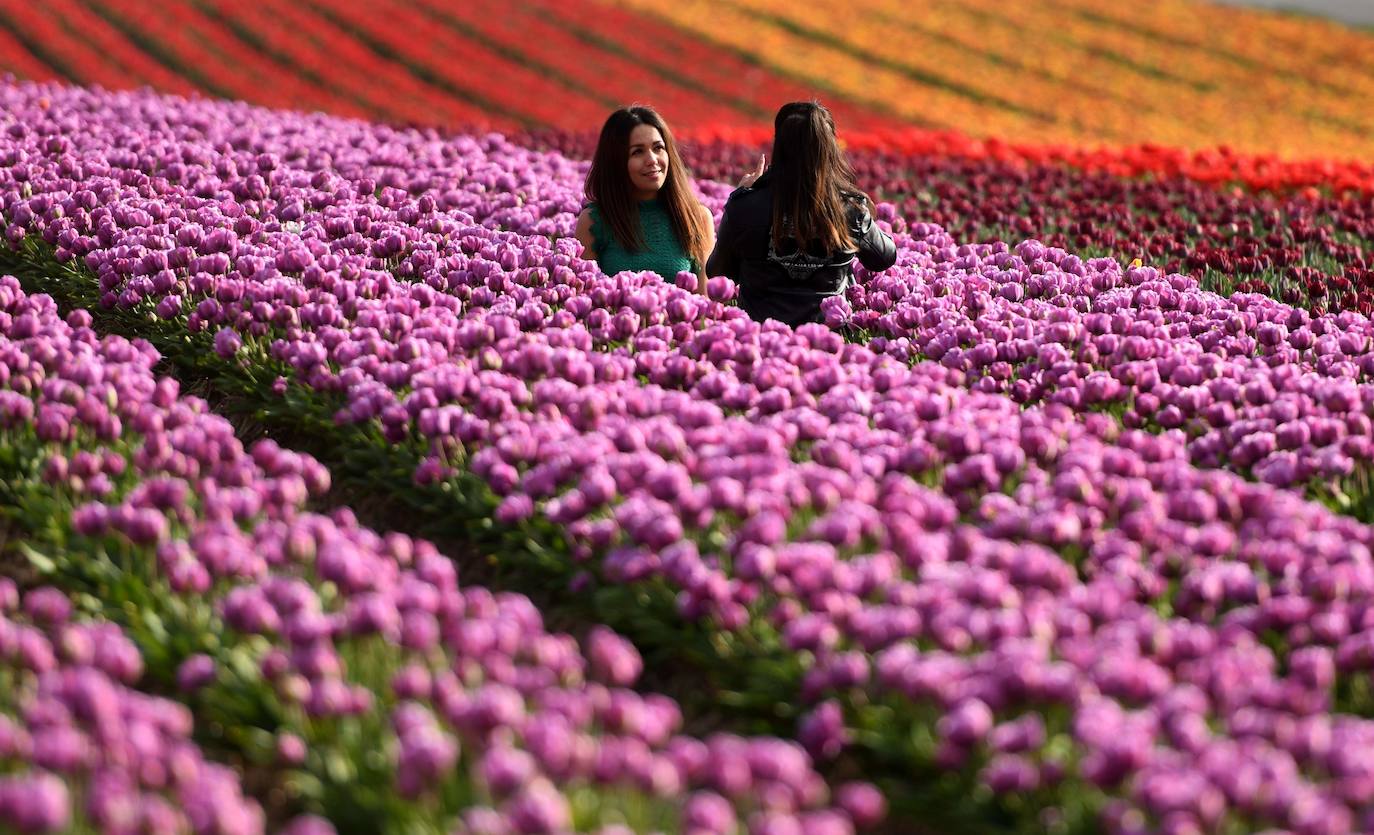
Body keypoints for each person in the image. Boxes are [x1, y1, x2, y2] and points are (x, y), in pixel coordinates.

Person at [706, 101, 896, 327]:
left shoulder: (746, 205)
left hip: (760, 338)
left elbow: (717, 271)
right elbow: (883, 258)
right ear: (831, 150)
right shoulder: (850, 208)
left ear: (779, 147)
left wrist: (740, 197)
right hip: (826, 339)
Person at [575, 106, 714, 285]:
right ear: (616, 162)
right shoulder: (595, 221)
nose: (652, 159)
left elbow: (705, 304)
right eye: (637, 152)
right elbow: (586, 296)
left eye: (658, 148)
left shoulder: (696, 218)